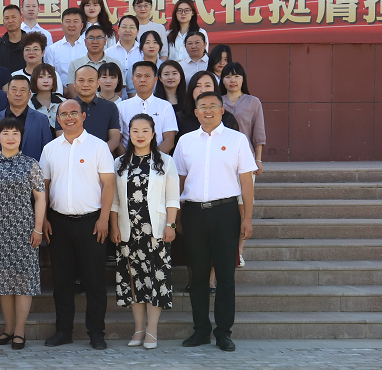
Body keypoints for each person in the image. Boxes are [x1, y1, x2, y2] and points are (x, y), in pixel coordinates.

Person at [175, 91, 256, 352]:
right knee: (197, 275)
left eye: (213, 105)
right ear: (196, 112)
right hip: (194, 213)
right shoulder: (185, 141)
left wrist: (247, 218)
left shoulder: (237, 140)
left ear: (222, 110)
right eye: (202, 106)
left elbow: (246, 182)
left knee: (225, 276)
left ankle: (224, 333)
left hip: (226, 213)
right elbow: (179, 181)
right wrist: (177, 217)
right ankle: (201, 330)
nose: (207, 110)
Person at [40, 99, 116, 350]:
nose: (69, 117)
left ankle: (96, 332)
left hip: (92, 223)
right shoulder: (50, 149)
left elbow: (109, 185)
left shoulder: (98, 146)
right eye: (64, 114)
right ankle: (64, 331)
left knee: (94, 281)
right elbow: (44, 187)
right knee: (62, 282)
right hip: (58, 223)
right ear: (57, 119)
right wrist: (44, 219)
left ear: (83, 116)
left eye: (74, 113)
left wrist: (104, 219)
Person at [110, 114, 179, 351]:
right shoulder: (119, 162)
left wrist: (171, 225)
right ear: (128, 134)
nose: (140, 135)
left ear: (153, 133)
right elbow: (114, 200)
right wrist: (113, 226)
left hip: (156, 230)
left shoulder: (165, 161)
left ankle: (152, 330)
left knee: (155, 279)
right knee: (133, 280)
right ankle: (138, 329)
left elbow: (172, 197)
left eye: (145, 130)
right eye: (135, 131)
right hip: (128, 230)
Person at [0, 116, 46, 350]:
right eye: (5, 133)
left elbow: (40, 198)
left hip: (24, 230)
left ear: (21, 137)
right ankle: (8, 329)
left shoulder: (31, 164)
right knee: (3, 281)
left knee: (23, 281)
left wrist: (38, 228)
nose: (10, 137)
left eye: (15, 133)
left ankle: (20, 331)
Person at [220, 63, 266, 266]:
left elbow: (258, 132)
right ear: (222, 80)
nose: (233, 80)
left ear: (243, 79)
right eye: (228, 76)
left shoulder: (253, 102)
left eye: (237, 76)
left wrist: (258, 159)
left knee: (243, 207)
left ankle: (238, 252)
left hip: (245, 162)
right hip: (221, 161)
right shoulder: (217, 101)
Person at [56, 65, 122, 154]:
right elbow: (61, 135)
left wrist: (98, 155)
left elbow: (114, 139)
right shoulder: (64, 107)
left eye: (90, 80)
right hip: (71, 156)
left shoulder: (110, 107)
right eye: (81, 80)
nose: (85, 84)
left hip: (102, 158)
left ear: (98, 83)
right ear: (74, 82)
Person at [119, 62, 179, 155]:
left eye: (147, 76)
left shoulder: (165, 106)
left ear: (155, 80)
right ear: (132, 79)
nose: (142, 80)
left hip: (158, 160)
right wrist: (128, 159)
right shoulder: (121, 106)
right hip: (127, 159)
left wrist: (152, 160)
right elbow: (117, 140)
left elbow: (169, 141)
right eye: (138, 76)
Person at [0, 75, 54, 161]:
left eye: (23, 90)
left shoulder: (42, 120)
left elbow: (48, 152)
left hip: (33, 169)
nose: (18, 94)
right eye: (14, 90)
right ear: (7, 93)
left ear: (29, 94)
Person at [177, 71, 240, 137]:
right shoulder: (181, 118)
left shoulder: (227, 118)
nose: (203, 90)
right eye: (198, 86)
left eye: (207, 86)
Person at [67, 25, 119, 97]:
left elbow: (118, 90)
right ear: (85, 42)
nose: (95, 41)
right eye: (91, 38)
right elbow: (72, 90)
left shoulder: (115, 63)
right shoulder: (75, 64)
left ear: (105, 41)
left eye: (99, 38)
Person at [45, 8, 86, 90]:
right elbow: (49, 74)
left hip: (86, 91)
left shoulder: (89, 47)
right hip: (61, 93)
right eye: (68, 21)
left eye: (75, 21)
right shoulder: (52, 49)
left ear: (82, 25)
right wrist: (63, 89)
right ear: (62, 25)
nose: (71, 25)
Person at [0, 5, 27, 72]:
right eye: (7, 18)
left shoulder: (31, 44)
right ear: (3, 21)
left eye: (13, 17)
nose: (10, 21)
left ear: (21, 19)